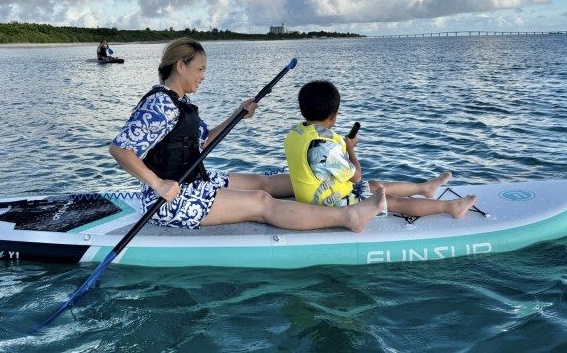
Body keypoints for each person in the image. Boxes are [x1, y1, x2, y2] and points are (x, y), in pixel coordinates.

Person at [109, 37, 385, 233]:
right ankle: (348, 216)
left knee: (263, 182)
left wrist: (237, 114)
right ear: (181, 65)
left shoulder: (180, 102)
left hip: (194, 180)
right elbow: (120, 149)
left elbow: (205, 141)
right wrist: (158, 184)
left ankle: (337, 188)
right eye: (200, 69)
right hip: (170, 200)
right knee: (260, 202)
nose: (203, 75)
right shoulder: (159, 104)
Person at [284, 80, 476, 219]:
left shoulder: (296, 133)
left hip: (317, 195)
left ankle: (424, 188)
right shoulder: (325, 146)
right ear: (334, 115)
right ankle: (451, 207)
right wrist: (350, 149)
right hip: (329, 204)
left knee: (376, 184)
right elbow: (356, 176)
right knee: (391, 201)